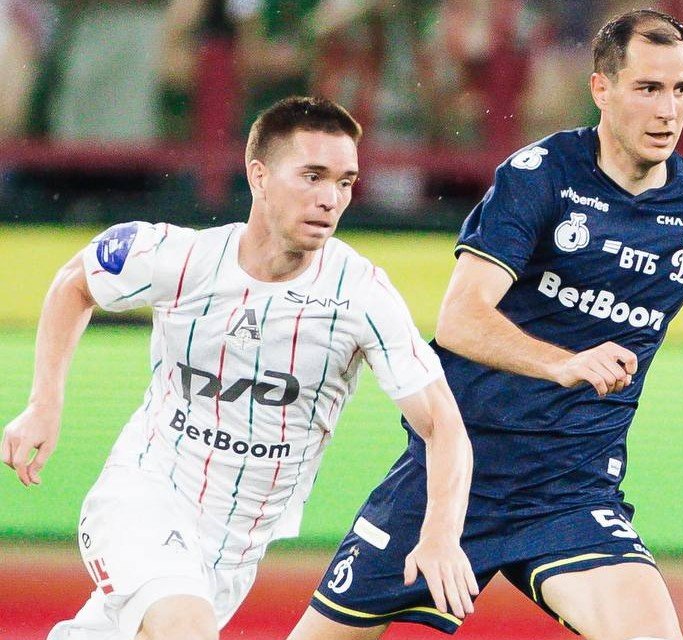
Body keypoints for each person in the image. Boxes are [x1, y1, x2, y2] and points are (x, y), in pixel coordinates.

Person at [288, 10, 683, 640]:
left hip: (572, 495)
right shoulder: (542, 175)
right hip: (452, 479)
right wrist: (560, 363)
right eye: (648, 88)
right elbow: (461, 320)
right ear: (601, 90)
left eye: (681, 89)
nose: (668, 111)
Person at [0, 96, 478, 640]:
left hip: (232, 553)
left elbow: (443, 424)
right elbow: (75, 282)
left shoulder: (361, 296)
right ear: (259, 176)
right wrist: (43, 403)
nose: (330, 198)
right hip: (140, 498)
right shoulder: (181, 258)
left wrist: (441, 532)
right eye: (313, 176)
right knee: (186, 628)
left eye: (345, 182)